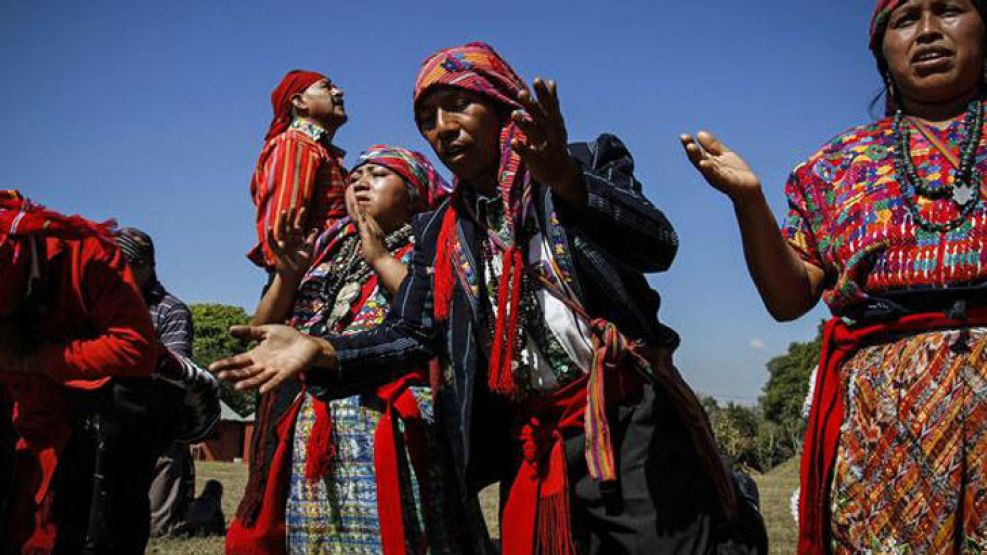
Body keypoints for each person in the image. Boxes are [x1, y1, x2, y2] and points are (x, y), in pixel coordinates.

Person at [214, 43, 763, 554]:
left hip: (625, 423)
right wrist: (323, 350)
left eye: (458, 108)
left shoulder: (588, 159)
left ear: (501, 106)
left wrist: (569, 182)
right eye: (428, 120)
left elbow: (658, 245)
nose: (442, 129)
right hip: (534, 439)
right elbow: (416, 329)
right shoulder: (444, 229)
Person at [682, 1, 987, 551]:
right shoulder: (835, 166)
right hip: (886, 420)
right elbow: (788, 297)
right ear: (882, 52)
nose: (927, 32)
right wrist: (749, 203)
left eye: (949, 10)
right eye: (905, 20)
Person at [226, 144, 487, 554]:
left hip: (400, 426)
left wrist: (381, 258)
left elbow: (439, 317)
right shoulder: (327, 252)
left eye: (380, 174)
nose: (361, 182)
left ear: (415, 188)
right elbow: (260, 332)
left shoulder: (436, 241)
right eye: (355, 177)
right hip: (318, 425)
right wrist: (288, 275)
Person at [0, 191, 158, 553]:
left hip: (91, 422)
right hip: (20, 416)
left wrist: (36, 361)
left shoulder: (89, 255)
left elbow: (135, 349)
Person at [115, 227, 211, 539]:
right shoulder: (104, 304)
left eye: (126, 263)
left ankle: (208, 508)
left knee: (158, 529)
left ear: (147, 266)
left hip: (158, 420)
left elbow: (177, 374)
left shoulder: (171, 310)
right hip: (113, 415)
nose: (117, 269)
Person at [248, 70, 349, 272]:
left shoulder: (320, 151)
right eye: (326, 86)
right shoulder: (294, 144)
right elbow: (281, 238)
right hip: (308, 284)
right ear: (299, 102)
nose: (339, 92)